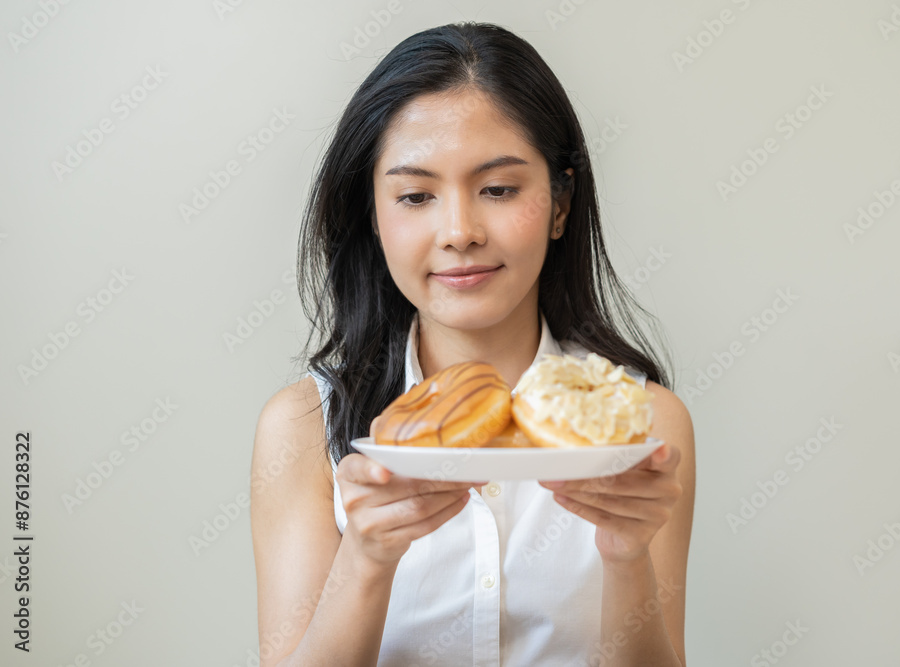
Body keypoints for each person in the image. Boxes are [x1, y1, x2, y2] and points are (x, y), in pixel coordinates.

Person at [250, 21, 695, 667]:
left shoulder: (643, 424)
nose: (459, 230)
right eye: (415, 195)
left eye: (498, 189)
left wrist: (626, 555)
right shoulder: (303, 427)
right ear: (373, 216)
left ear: (561, 202)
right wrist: (368, 558)